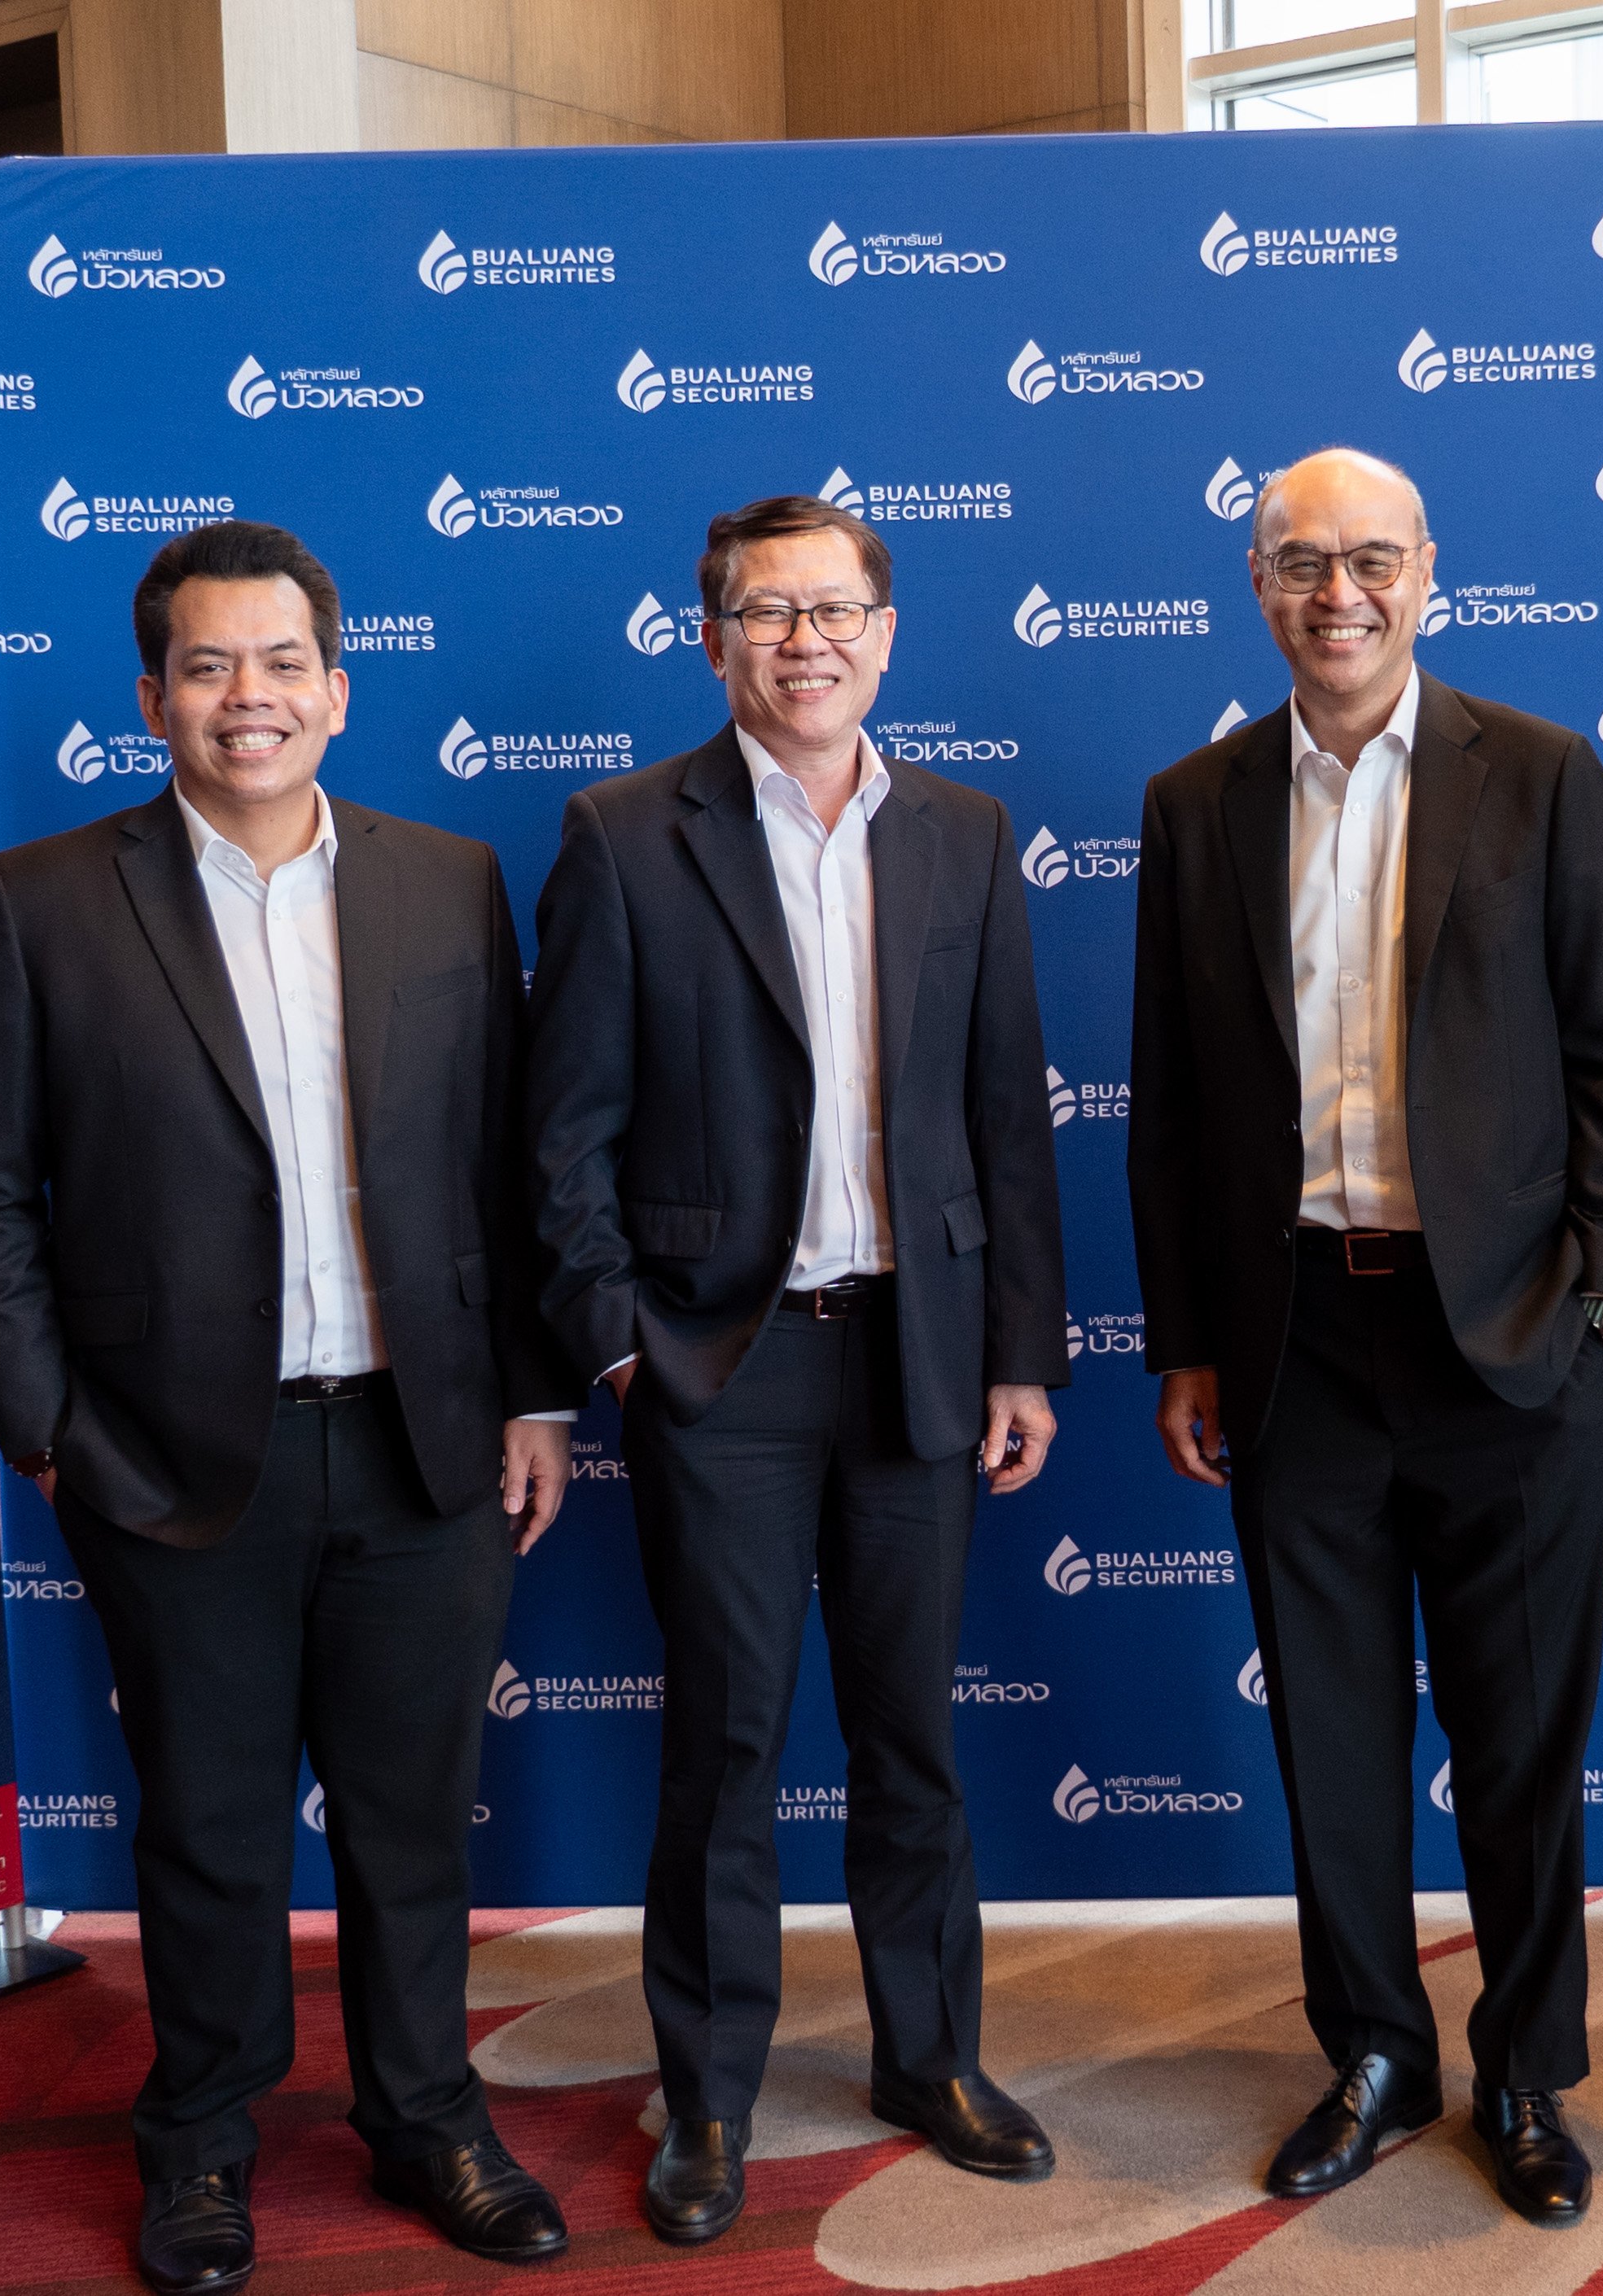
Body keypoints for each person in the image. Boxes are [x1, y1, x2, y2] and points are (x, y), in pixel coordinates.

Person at [0, 519, 575, 2294]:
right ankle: (203, 2140)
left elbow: (505, 1164)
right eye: (207, 666)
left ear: (337, 689)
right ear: (152, 699)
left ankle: (427, 2116)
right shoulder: (39, 901)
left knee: (412, 1821)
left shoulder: (448, 878)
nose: (249, 696)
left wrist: (532, 1395)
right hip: (170, 1458)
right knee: (208, 1828)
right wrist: (50, 1429)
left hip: (427, 1441)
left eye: (282, 662)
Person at [1128, 447, 1603, 2228]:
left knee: (1521, 1741)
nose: (1337, 592)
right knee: (1333, 1738)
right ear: (1257, 584)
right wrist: (1189, 1343)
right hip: (1296, 1342)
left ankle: (1526, 2071)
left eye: (1371, 558)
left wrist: (1597, 1307)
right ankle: (1371, 2051)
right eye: (1300, 561)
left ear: (1429, 571)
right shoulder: (1195, 802)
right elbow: (1170, 1100)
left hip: (1511, 1342)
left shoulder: (1543, 770)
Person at [524, 493, 1071, 2245]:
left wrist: (1022, 1355)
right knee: (728, 1743)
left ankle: (931, 2057)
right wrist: (626, 1348)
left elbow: (1007, 1114)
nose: (805, 642)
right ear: (715, 641)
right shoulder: (624, 836)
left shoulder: (964, 832)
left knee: (912, 1733)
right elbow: (563, 1133)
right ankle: (708, 2093)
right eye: (768, 612)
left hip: (919, 1354)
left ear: (885, 634)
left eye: (835, 611)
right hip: (723, 1365)